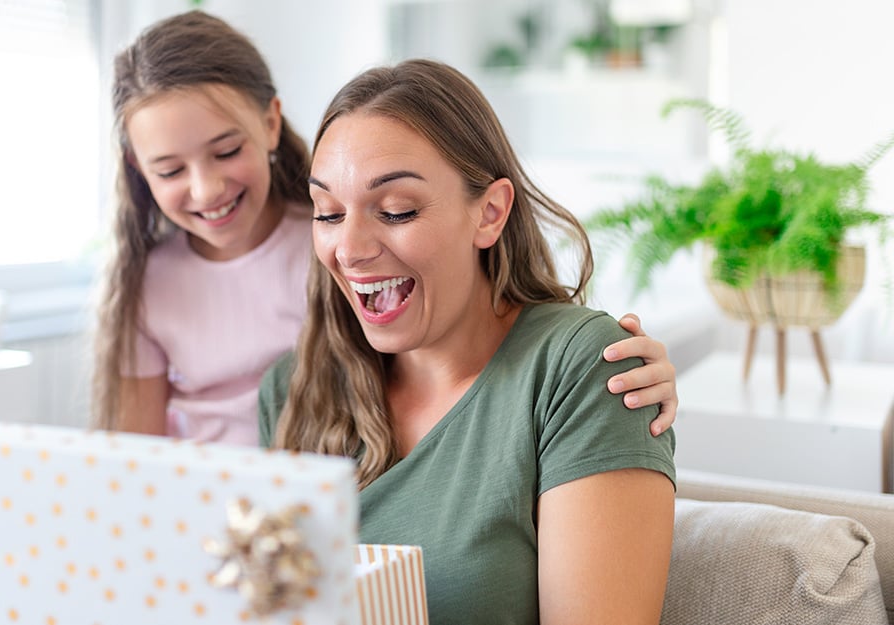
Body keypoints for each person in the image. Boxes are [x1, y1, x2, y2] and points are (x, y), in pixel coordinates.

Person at [91, 10, 678, 447]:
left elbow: (506, 342)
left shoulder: (330, 253)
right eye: (170, 169)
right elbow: (129, 460)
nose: (206, 188)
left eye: (395, 210)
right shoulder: (155, 287)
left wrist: (615, 365)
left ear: (270, 123)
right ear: (139, 169)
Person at [258, 59, 676, 624]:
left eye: (396, 210)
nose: (349, 248)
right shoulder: (291, 392)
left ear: (490, 212)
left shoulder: (584, 370)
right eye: (329, 213)